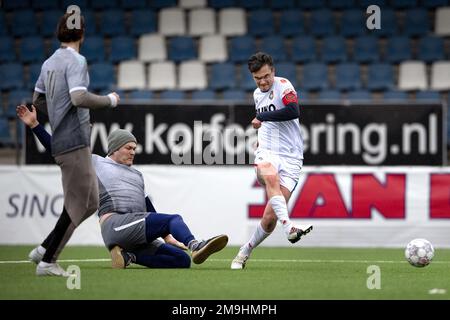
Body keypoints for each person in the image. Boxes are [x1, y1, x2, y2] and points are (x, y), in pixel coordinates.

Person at [18, 105, 228, 270]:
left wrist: (167, 237)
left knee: (180, 261)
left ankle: (128, 256)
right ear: (114, 148)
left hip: (134, 229)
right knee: (174, 218)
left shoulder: (137, 175)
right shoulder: (96, 162)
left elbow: (149, 209)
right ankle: (195, 245)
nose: (133, 152)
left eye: (135, 148)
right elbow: (59, 151)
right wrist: (35, 124)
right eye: (128, 147)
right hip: (115, 225)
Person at [29, 11, 121, 276]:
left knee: (91, 202)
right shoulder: (77, 60)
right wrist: (110, 101)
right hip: (73, 143)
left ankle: (43, 248)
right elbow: (79, 97)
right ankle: (48, 261)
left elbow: (38, 100)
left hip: (66, 141)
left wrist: (59, 117)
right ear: (82, 34)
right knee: (80, 204)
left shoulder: (49, 63)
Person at [231, 52, 313, 270]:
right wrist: (260, 140)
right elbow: (266, 125)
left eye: (266, 76)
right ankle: (289, 228)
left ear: (273, 72)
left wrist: (263, 117)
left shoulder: (284, 86)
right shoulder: (257, 94)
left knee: (269, 219)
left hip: (292, 157)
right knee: (269, 173)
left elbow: (292, 110)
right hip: (268, 152)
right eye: (258, 78)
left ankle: (244, 251)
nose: (263, 81)